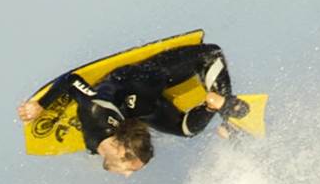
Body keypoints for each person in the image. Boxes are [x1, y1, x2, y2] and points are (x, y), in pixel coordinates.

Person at [16, 41, 242, 176]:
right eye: (130, 171)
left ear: (121, 152)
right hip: (140, 102)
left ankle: (222, 105)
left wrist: (40, 105)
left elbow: (72, 80)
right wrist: (40, 106)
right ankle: (215, 105)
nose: (125, 175)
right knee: (186, 129)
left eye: (129, 170)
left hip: (143, 80)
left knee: (210, 54)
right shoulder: (101, 126)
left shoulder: (96, 111)